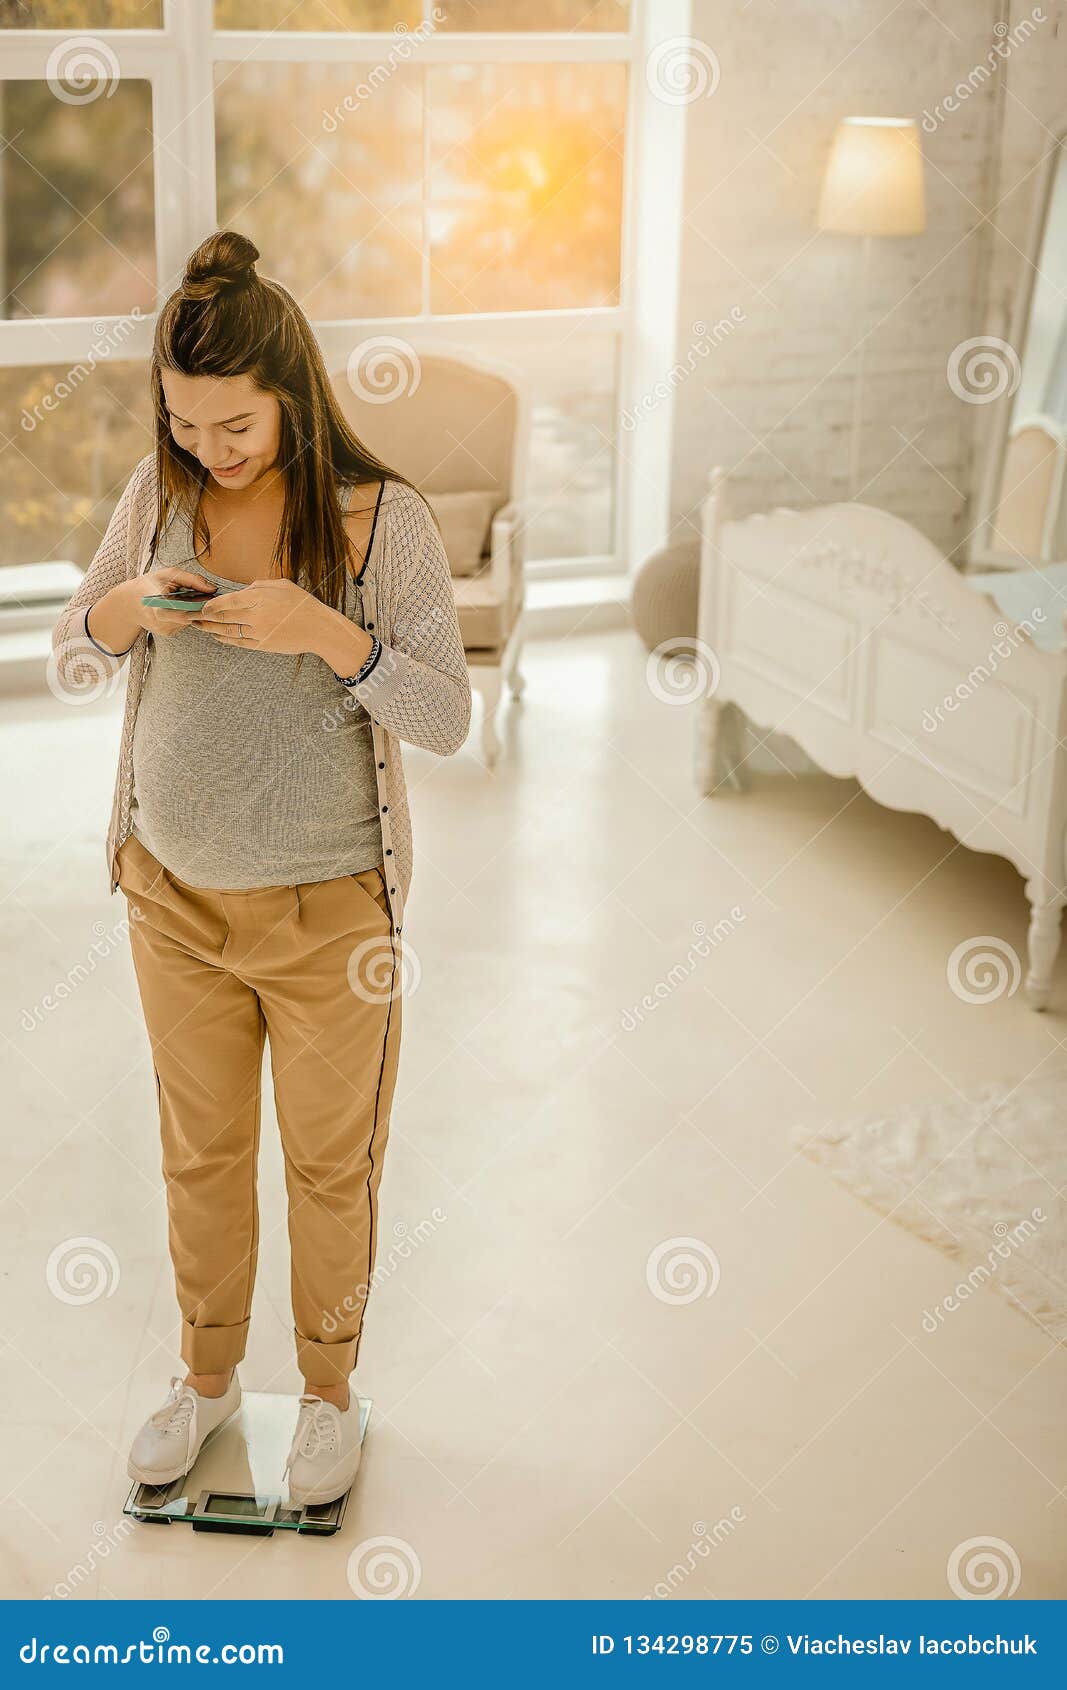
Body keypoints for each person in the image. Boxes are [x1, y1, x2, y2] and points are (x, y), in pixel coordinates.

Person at [51, 230, 472, 1507]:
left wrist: (327, 635)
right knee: (201, 1153)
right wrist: (132, 605)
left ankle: (331, 1397)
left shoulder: (379, 519)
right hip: (170, 897)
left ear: (292, 385)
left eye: (233, 424)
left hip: (328, 914)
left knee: (328, 1165)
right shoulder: (159, 494)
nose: (208, 449)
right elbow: (76, 649)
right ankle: (207, 1377)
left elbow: (445, 715)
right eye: (184, 422)